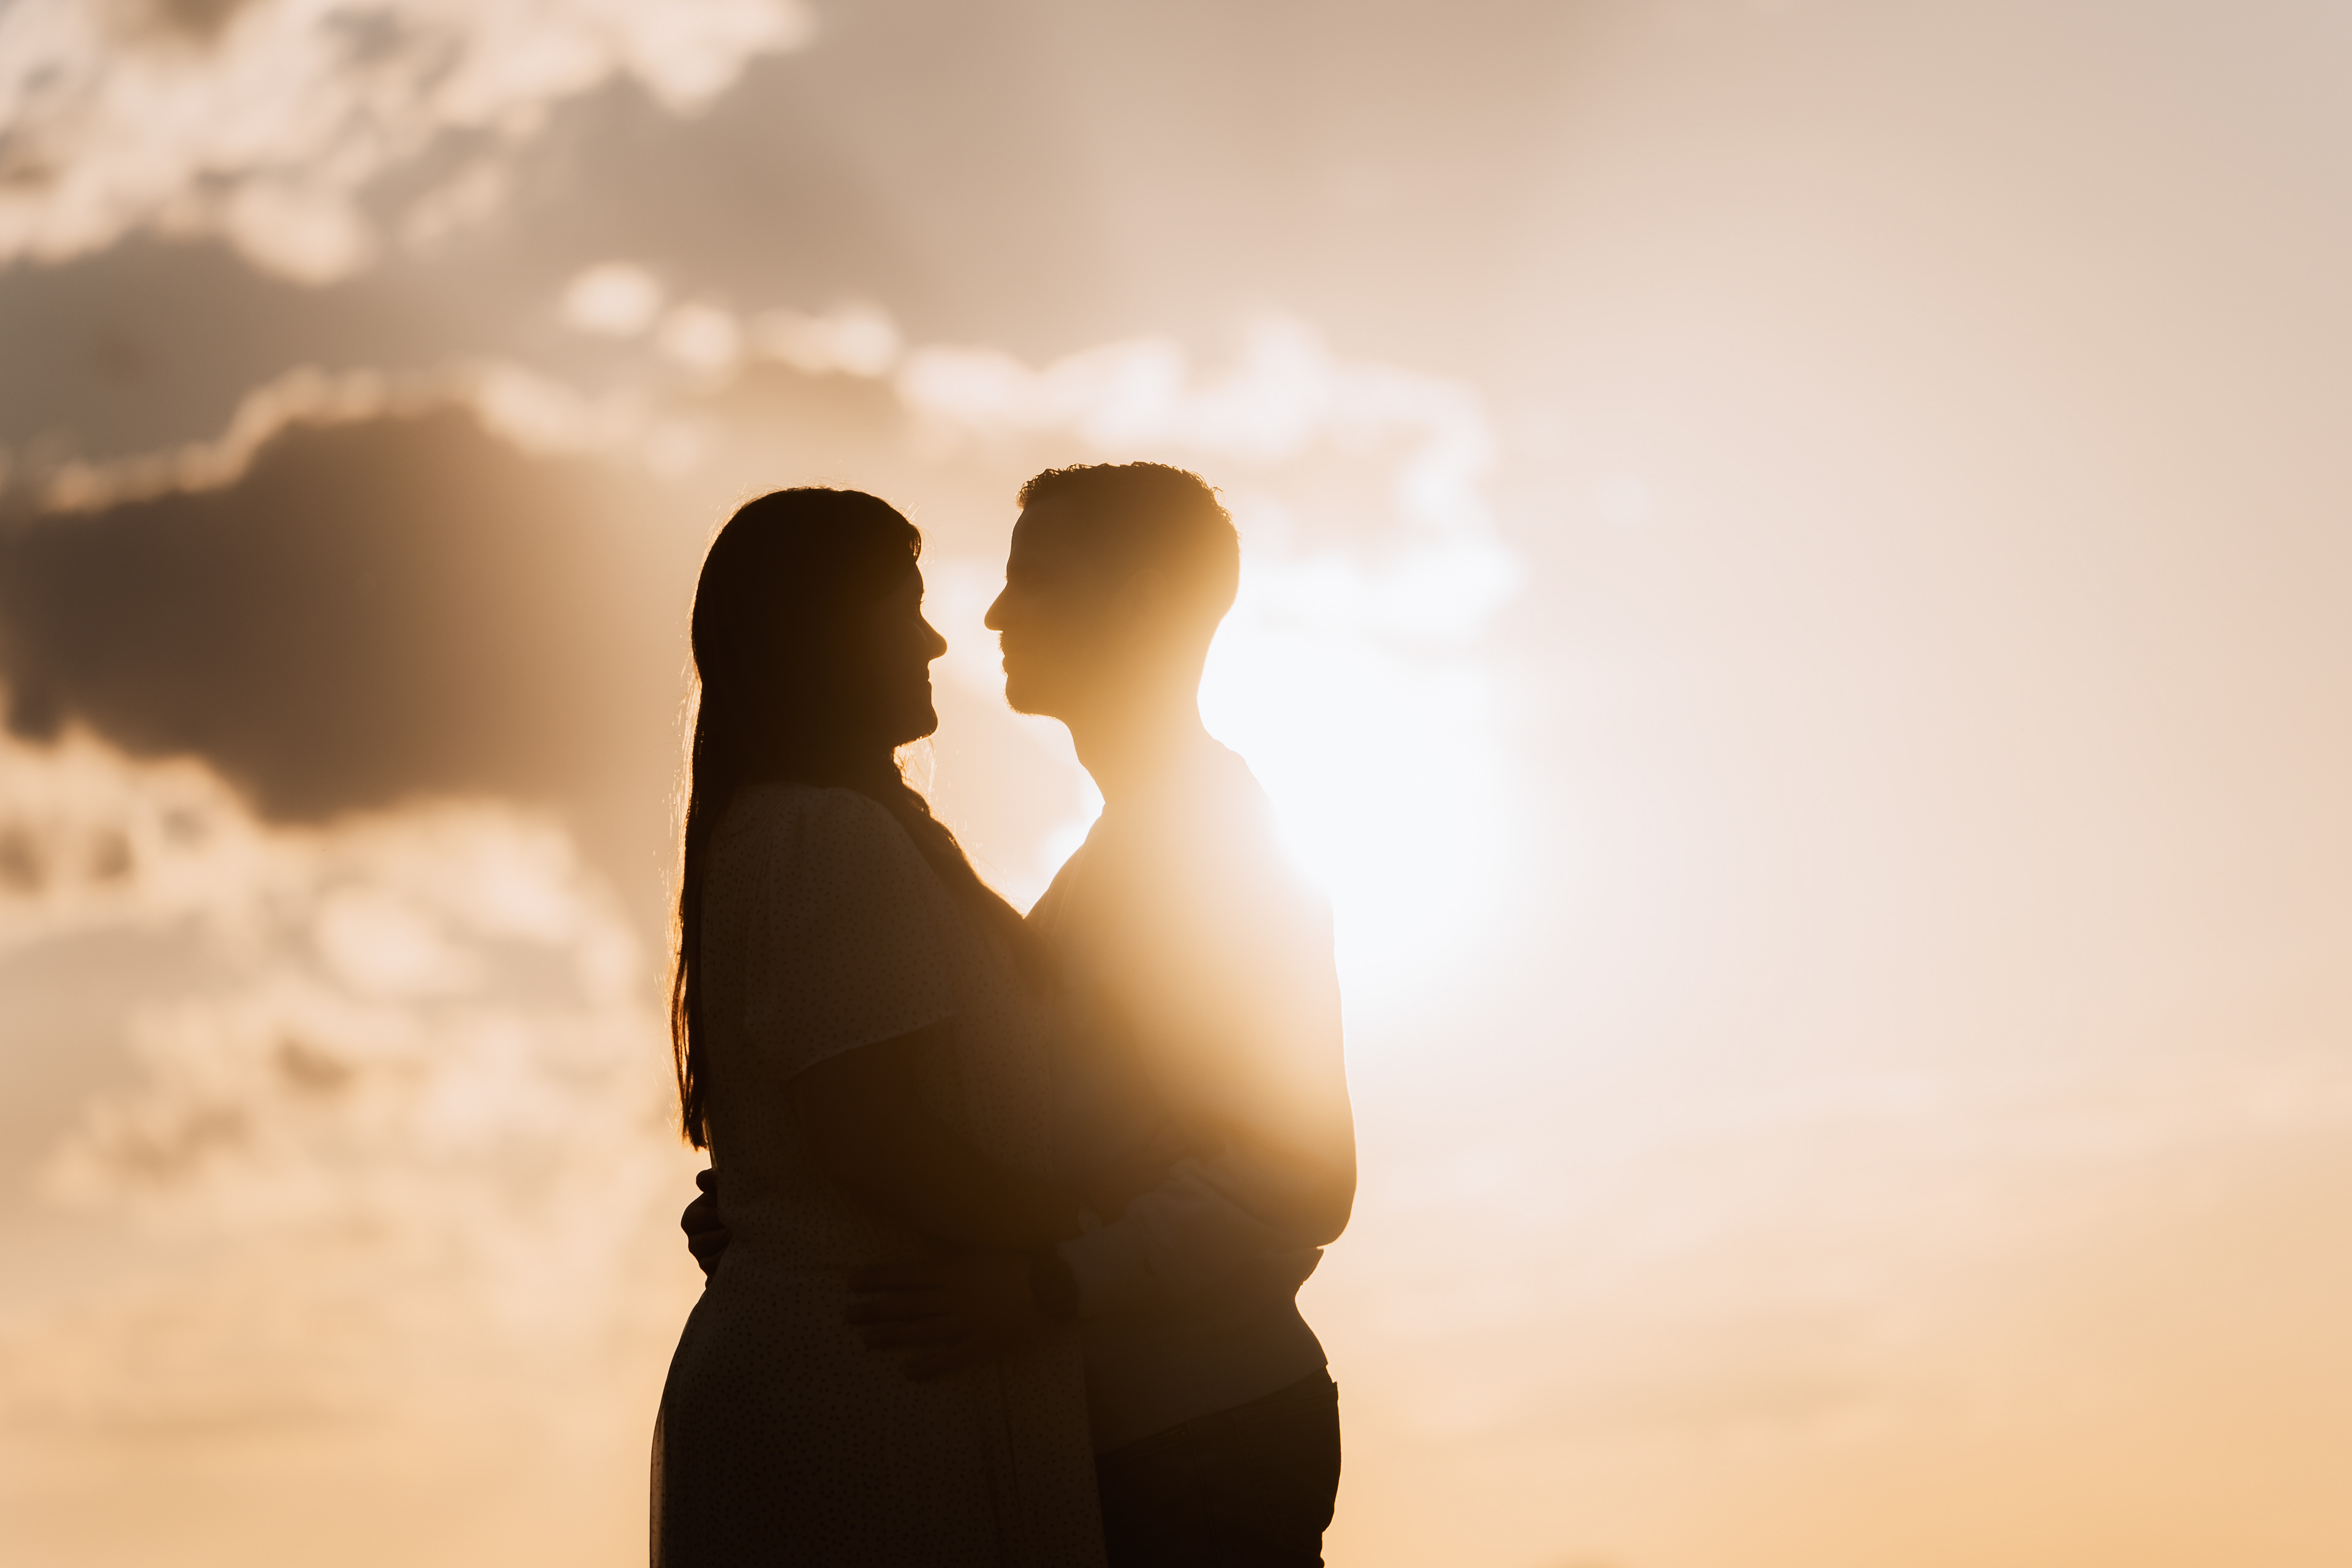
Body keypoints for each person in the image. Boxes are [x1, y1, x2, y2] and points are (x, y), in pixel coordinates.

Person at [685, 464, 1359, 1567]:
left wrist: (1052, 1280)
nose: (990, 614)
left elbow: (1299, 1174)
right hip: (1120, 1427)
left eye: (1033, 580)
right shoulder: (1106, 865)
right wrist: (800, 1210)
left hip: (1197, 1430)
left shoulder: (1219, 851)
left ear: (1139, 601)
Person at [653, 487, 1106, 1567]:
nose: (938, 637)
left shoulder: (806, 831)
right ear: (828, 634)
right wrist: (1093, 1240)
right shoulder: (827, 836)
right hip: (866, 1379)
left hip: (868, 1360)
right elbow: (880, 1135)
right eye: (904, 607)